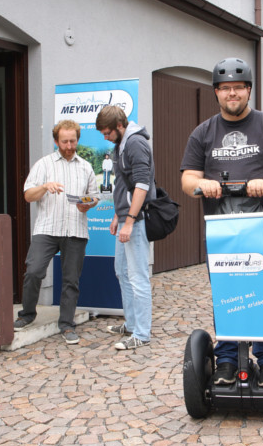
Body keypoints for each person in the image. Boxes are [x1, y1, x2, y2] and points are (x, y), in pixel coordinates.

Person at [180, 57, 263, 388]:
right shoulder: (203, 133)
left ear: (248, 90)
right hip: (222, 231)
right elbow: (188, 179)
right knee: (226, 292)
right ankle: (228, 358)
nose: (232, 94)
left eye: (238, 88)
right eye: (225, 88)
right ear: (217, 93)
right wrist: (201, 185)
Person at [13, 120, 99, 345]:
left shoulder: (86, 166)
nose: (70, 145)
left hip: (75, 229)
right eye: (65, 141)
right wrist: (44, 187)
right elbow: (28, 195)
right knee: (34, 271)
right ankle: (28, 314)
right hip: (47, 229)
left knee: (71, 280)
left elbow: (95, 195)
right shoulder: (43, 164)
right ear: (56, 141)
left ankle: (67, 325)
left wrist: (87, 204)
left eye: (73, 141)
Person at [96, 105, 156, 350]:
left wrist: (129, 220)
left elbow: (142, 184)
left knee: (138, 276)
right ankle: (131, 323)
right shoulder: (120, 145)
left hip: (137, 220)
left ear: (119, 126)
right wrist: (116, 215)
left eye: (107, 133)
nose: (105, 137)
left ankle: (142, 334)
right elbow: (123, 184)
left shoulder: (135, 144)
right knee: (122, 270)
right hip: (125, 216)